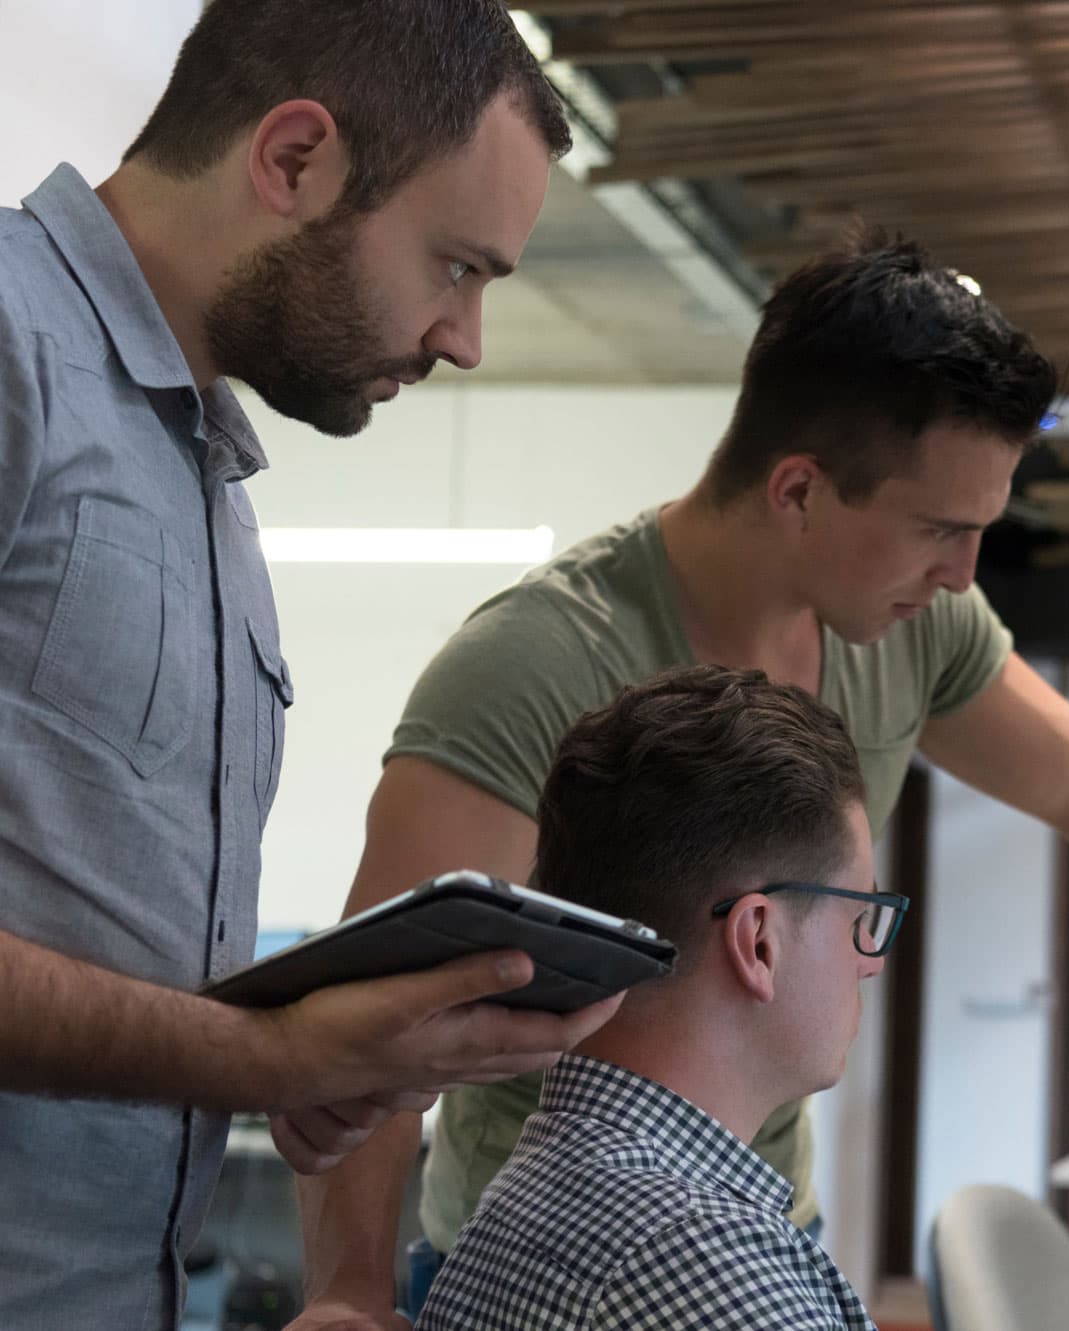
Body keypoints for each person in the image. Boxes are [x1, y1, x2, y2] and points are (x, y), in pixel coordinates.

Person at [292, 227, 1069, 1329]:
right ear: (798, 490)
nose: (963, 575)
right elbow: (383, 1007)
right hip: (566, 1250)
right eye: (941, 529)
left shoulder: (910, 625)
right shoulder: (536, 663)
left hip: (749, 1217)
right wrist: (348, 1289)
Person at [0, 3, 624, 1325]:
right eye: (457, 266)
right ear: (293, 159)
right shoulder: (12, 350)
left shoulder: (205, 476)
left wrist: (312, 1051)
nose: (464, 338)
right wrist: (256, 1054)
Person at [417, 666, 887, 1331]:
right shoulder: (709, 1267)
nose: (871, 961)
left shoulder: (527, 1196)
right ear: (758, 941)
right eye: (859, 918)